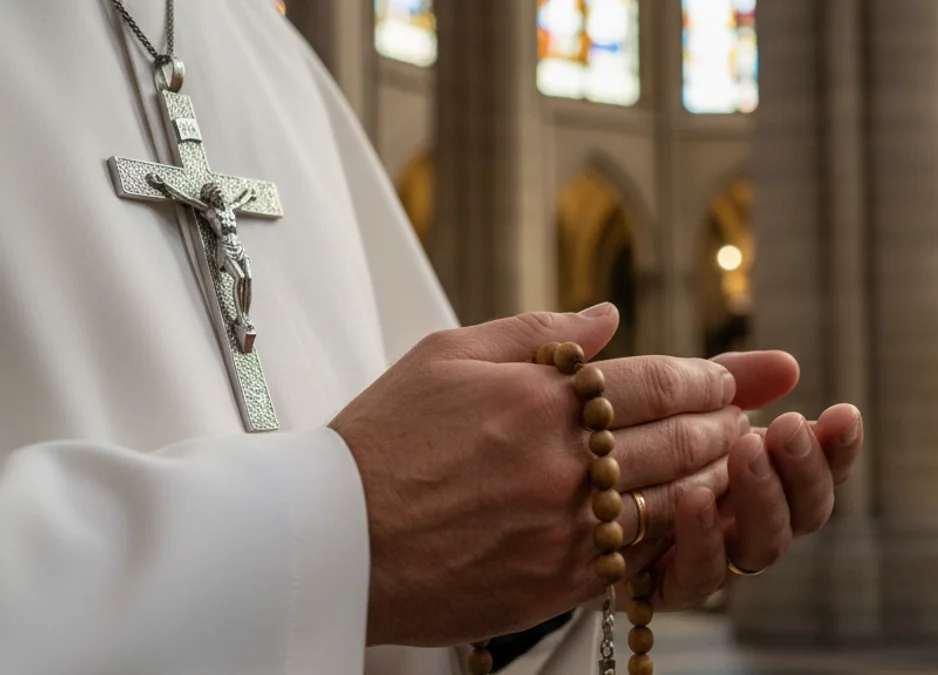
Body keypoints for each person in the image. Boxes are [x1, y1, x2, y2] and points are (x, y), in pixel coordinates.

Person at [0, 2, 863, 674]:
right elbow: (377, 522)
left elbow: (424, 577)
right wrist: (344, 536)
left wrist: (561, 549)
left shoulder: (270, 55)